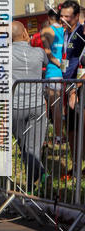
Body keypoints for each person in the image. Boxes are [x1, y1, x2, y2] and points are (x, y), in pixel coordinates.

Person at [11, 21, 48, 189]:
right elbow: (48, 62)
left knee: (24, 145)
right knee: (31, 147)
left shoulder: (3, 55)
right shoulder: (39, 52)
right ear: (25, 33)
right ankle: (39, 176)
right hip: (37, 105)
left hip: (15, 107)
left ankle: (32, 183)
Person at [59, 0, 85, 175]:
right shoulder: (66, 33)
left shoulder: (81, 32)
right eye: (62, 16)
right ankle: (75, 165)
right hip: (67, 85)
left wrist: (76, 87)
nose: (63, 19)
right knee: (70, 129)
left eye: (67, 17)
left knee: (81, 128)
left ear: (76, 17)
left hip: (78, 87)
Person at [40, 8, 64, 143]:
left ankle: (56, 137)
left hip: (52, 71)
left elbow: (48, 52)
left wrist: (55, 62)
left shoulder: (46, 31)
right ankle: (58, 135)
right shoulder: (63, 30)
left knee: (51, 106)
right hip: (61, 72)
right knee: (58, 106)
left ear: (49, 17)